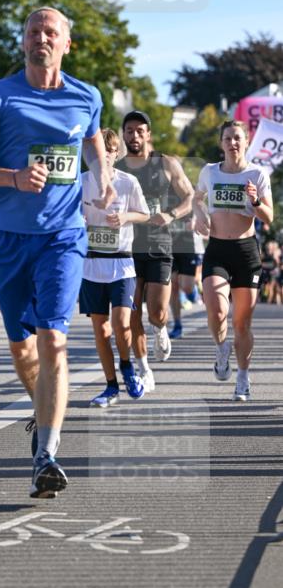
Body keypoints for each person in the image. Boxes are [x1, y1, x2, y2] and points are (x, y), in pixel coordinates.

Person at [0, 7, 114, 499]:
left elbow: (93, 146)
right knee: (24, 351)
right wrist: (13, 179)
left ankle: (47, 453)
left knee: (53, 340)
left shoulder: (86, 96)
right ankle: (42, 414)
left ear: (67, 43)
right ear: (23, 42)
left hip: (64, 236)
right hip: (6, 237)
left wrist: (105, 179)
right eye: (33, 32)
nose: (40, 38)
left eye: (51, 32)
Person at [193, 120, 273, 400]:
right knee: (215, 311)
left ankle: (242, 377)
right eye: (227, 138)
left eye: (237, 138)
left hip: (246, 252)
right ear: (221, 142)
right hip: (217, 249)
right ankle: (221, 346)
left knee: (242, 323)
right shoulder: (210, 172)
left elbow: (268, 217)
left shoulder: (257, 173)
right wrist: (199, 214)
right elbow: (196, 198)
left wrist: (255, 202)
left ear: (246, 141)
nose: (233, 143)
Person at [115, 110, 193, 391]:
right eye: (129, 130)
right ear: (124, 134)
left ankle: (161, 329)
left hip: (159, 245)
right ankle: (144, 369)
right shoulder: (118, 168)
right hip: (126, 249)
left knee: (157, 312)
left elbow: (189, 197)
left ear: (148, 134)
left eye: (140, 130)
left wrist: (171, 215)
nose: (134, 135)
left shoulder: (166, 163)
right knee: (132, 313)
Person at [79, 128, 149, 407]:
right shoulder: (80, 181)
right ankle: (110, 386)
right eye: (95, 153)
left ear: (114, 154)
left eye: (106, 153)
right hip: (91, 263)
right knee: (101, 329)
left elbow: (144, 214)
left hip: (121, 263)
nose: (101, 158)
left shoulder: (127, 182)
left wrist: (124, 216)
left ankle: (127, 366)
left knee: (122, 324)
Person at [169, 205, 204, 339]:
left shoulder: (191, 196)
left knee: (187, 286)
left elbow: (204, 216)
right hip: (170, 246)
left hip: (189, 247)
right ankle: (177, 325)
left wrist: (196, 222)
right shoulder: (163, 193)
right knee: (173, 286)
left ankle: (192, 292)